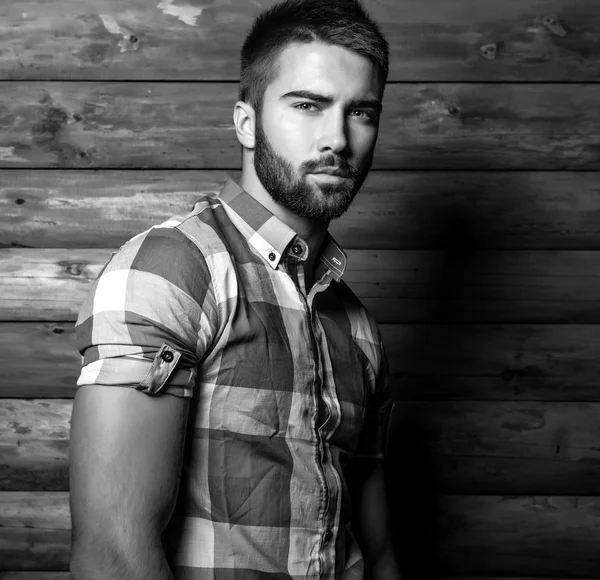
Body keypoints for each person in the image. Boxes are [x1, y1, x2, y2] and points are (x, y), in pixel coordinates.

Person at [69, 0, 401, 578]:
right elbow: (114, 554)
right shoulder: (173, 268)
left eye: (362, 113)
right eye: (307, 105)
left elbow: (376, 553)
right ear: (246, 122)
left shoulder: (356, 326)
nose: (339, 139)